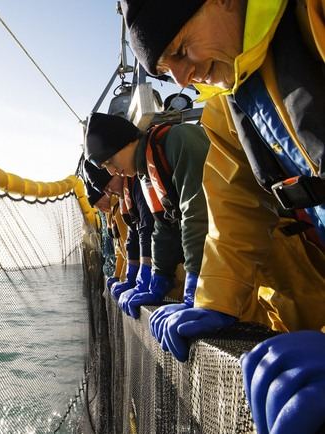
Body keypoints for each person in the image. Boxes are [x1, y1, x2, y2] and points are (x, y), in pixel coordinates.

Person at [120, 0, 325, 431]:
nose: (183, 77)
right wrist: (215, 298)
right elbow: (230, 209)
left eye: (179, 50)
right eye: (166, 70)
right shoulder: (228, 108)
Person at [85, 113, 208, 320]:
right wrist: (158, 277)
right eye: (106, 168)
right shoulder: (146, 173)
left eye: (110, 162)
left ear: (126, 141)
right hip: (226, 261)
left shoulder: (178, 141)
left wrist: (198, 289)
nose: (113, 170)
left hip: (254, 250)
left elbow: (198, 213)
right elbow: (163, 226)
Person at [84, 158, 155, 301]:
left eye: (107, 187)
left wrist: (138, 276)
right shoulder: (122, 199)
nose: (109, 193)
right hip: (149, 274)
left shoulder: (136, 188)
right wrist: (126, 277)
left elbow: (146, 230)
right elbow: (128, 242)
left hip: (165, 273)